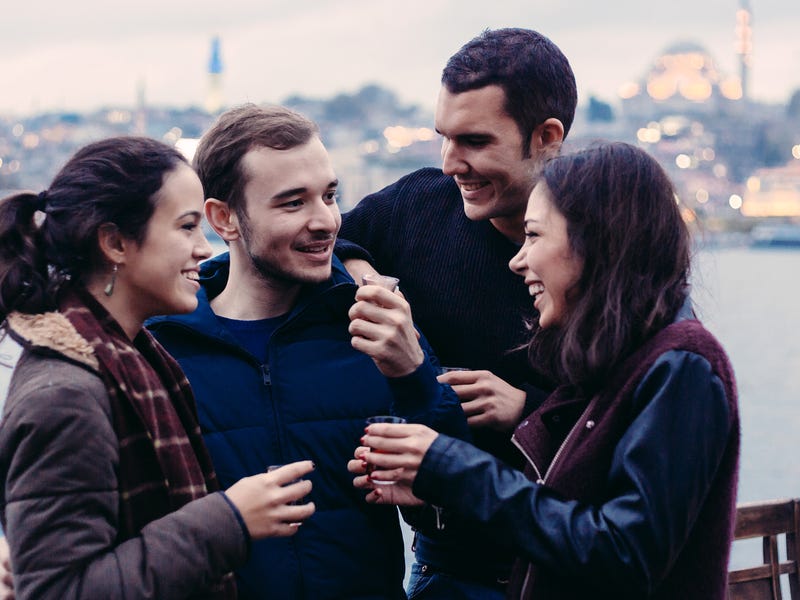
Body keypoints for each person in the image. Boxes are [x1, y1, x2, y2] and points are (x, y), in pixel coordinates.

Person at [353, 142, 741, 600]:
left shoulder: (683, 364)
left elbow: (623, 553)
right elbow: (569, 509)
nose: (517, 260)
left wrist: (452, 467)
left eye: (534, 236)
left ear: (595, 241)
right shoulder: (621, 359)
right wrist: (440, 485)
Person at [145, 104, 467, 599]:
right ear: (224, 218)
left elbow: (459, 498)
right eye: (293, 203)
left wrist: (416, 374)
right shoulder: (163, 347)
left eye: (330, 195)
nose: (326, 221)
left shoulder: (375, 322)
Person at [0, 137, 316, 599]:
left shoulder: (133, 355)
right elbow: (59, 590)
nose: (204, 250)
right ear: (114, 243)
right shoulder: (65, 395)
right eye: (187, 227)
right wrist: (229, 520)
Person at [338, 27, 578, 597]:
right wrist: (367, 283)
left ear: (546, 137)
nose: (451, 164)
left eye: (473, 141)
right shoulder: (417, 205)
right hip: (445, 566)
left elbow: (639, 416)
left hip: (566, 569)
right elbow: (334, 243)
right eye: (444, 137)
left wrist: (527, 410)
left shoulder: (605, 245)